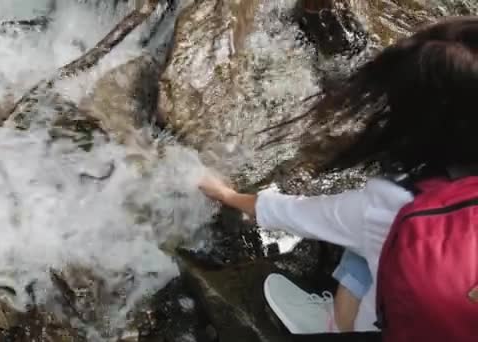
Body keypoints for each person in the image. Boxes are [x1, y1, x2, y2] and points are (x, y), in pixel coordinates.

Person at [199, 16, 478, 334]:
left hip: (395, 326)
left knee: (364, 246)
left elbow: (297, 214)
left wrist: (227, 195)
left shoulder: (390, 204)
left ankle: (337, 326)